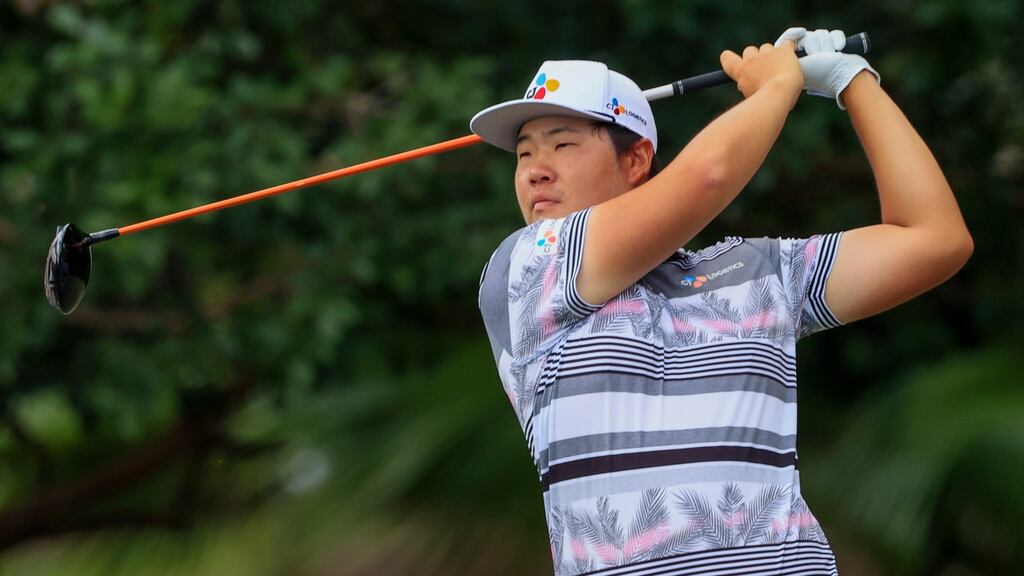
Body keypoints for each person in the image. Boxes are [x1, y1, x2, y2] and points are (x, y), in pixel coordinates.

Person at [471, 27, 972, 576]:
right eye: (524, 153)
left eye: (562, 144)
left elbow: (935, 240)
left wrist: (854, 83)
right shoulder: (527, 269)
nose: (535, 170)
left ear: (636, 160)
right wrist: (776, 88)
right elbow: (708, 175)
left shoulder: (755, 270)